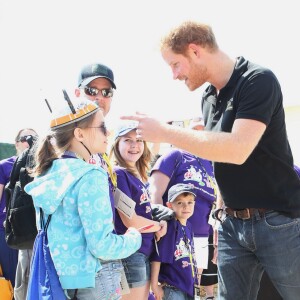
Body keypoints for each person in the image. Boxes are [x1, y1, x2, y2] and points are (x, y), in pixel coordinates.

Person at [121, 21, 300, 299]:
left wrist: (166, 132)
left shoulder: (257, 80)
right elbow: (220, 160)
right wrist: (220, 214)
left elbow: (238, 149)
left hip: (277, 222)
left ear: (195, 51)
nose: (173, 75)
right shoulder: (208, 97)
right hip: (231, 226)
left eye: (175, 64)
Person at [25, 93, 142, 299]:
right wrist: (134, 238)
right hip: (93, 282)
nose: (108, 132)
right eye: (102, 127)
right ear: (79, 134)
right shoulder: (91, 175)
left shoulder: (46, 175)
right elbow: (102, 246)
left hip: (58, 280)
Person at [149, 118, 217, 300]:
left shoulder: (210, 162)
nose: (200, 134)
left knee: (193, 287)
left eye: (205, 130)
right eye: (195, 130)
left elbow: (215, 202)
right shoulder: (174, 155)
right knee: (172, 287)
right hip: (174, 233)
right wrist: (161, 221)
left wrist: (216, 236)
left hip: (202, 236)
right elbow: (154, 192)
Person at [109, 121, 167, 300]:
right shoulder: (118, 174)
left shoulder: (137, 175)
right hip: (130, 254)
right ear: (117, 144)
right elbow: (130, 221)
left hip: (142, 251)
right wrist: (158, 226)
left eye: (139, 140)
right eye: (128, 140)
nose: (135, 145)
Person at [0, 128, 36, 291]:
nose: (30, 141)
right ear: (16, 144)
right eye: (25, 138)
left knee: (31, 281)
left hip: (34, 231)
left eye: (34, 137)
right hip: (8, 230)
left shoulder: (42, 165)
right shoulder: (4, 166)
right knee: (13, 280)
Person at [150, 183, 197, 300]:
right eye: (180, 203)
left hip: (187, 288)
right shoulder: (171, 226)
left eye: (189, 202)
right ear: (170, 205)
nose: (186, 207)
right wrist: (154, 285)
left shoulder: (189, 226)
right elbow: (157, 257)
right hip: (173, 289)